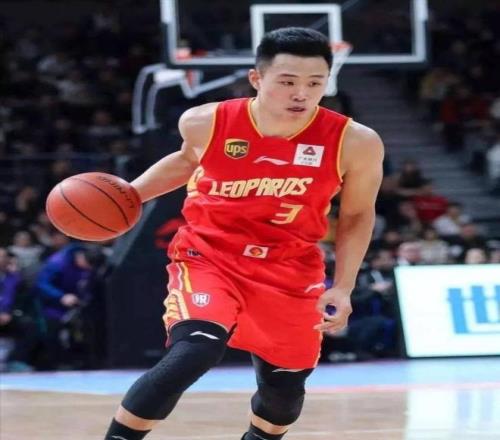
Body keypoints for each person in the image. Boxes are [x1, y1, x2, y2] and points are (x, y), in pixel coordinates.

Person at [104, 27, 384, 440]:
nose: (301, 94)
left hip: (290, 268)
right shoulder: (207, 121)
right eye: (287, 82)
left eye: (315, 83)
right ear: (257, 78)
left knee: (283, 397)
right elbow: (186, 161)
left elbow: (357, 215)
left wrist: (343, 287)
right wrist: (128, 196)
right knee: (195, 350)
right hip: (210, 256)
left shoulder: (355, 142)